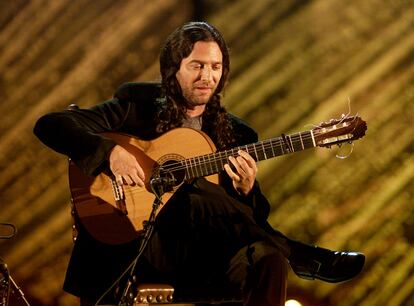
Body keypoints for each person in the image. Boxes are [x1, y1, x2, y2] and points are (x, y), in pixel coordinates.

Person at [33, 21, 365, 306]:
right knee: (192, 194)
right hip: (135, 247)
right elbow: (51, 124)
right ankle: (303, 256)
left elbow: (252, 220)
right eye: (197, 65)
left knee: (269, 258)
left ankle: (288, 254)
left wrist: (246, 189)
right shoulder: (138, 103)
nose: (207, 76)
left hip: (197, 257)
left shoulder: (237, 133)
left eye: (216, 67)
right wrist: (110, 154)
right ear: (174, 68)